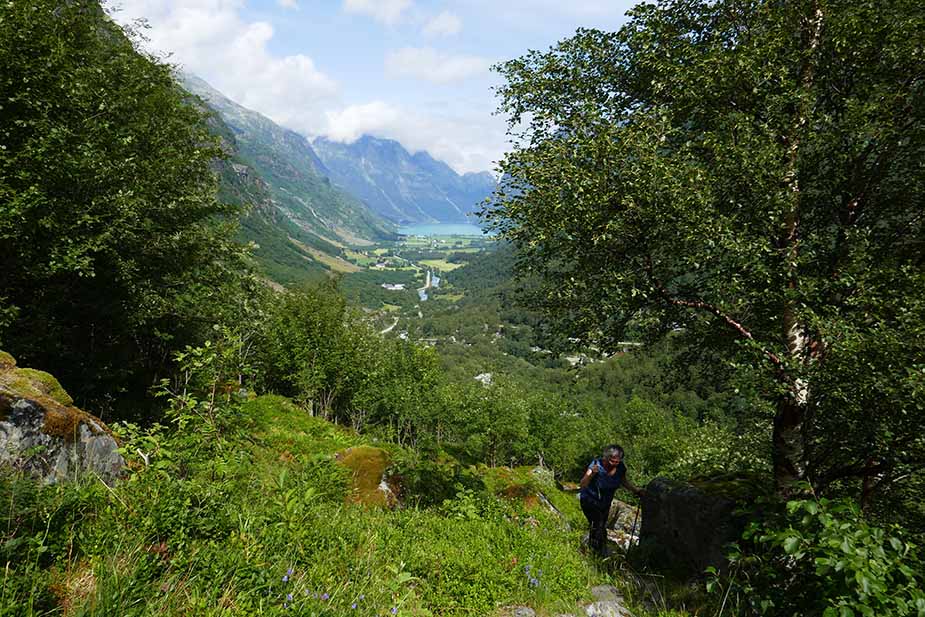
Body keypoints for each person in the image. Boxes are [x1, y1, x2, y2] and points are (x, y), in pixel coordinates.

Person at [578, 444, 645, 556]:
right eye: (612, 461)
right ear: (605, 458)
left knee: (600, 526)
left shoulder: (620, 468)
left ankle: (593, 550)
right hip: (589, 500)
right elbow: (583, 483)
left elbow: (623, 481)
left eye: (617, 461)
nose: (614, 464)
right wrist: (592, 474)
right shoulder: (596, 465)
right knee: (598, 525)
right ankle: (595, 553)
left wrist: (636, 490)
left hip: (605, 503)